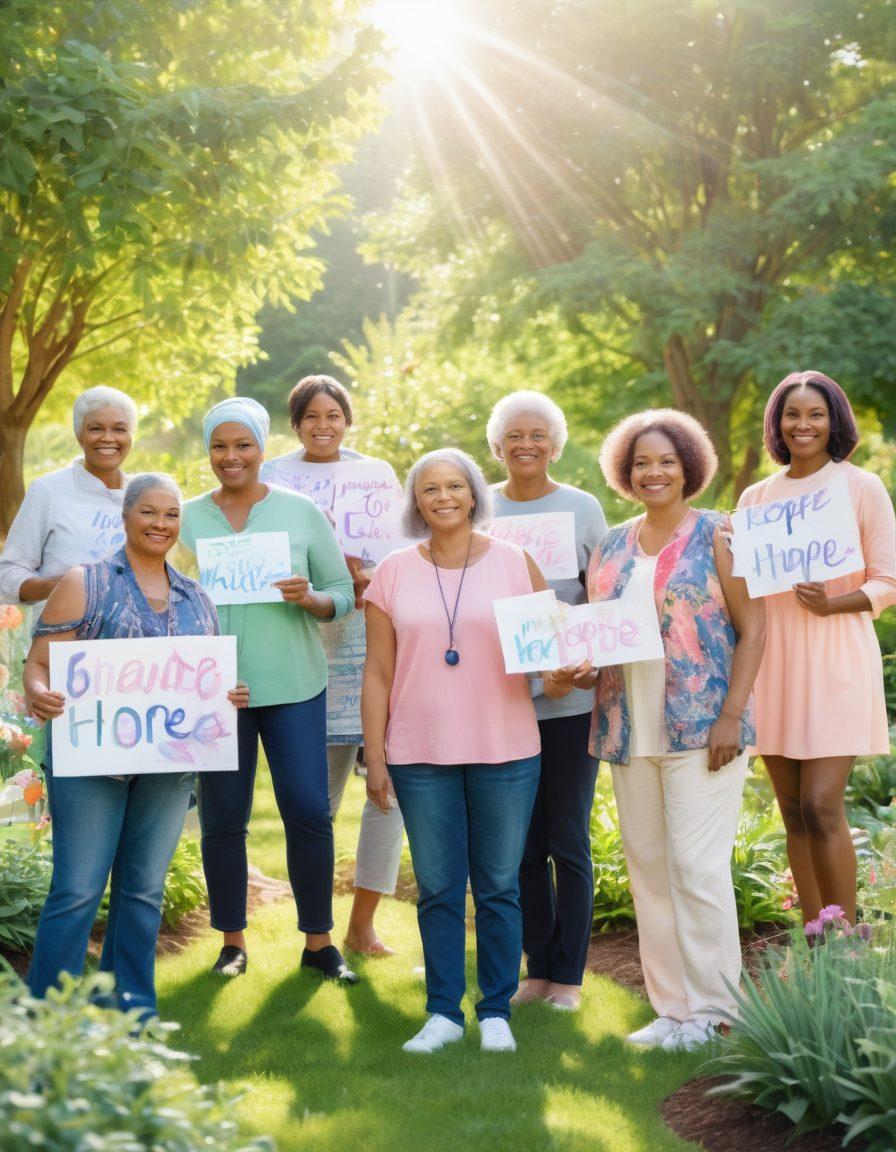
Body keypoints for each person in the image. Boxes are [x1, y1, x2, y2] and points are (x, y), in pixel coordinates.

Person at [555, 409, 766, 1052]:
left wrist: (731, 715)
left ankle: (716, 1009)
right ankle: (673, 1009)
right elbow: (602, 637)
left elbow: (754, 629)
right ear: (626, 470)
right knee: (648, 868)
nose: (654, 472)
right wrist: (579, 671)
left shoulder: (720, 533)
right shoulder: (614, 545)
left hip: (705, 727)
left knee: (696, 868)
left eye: (666, 461)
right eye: (642, 462)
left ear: (689, 467)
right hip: (628, 727)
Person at [23, 473, 246, 1020]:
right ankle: (43, 1020)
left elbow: (203, 683)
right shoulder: (85, 582)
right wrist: (38, 694)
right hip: (90, 762)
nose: (161, 524)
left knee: (143, 890)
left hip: (168, 766)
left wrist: (228, 695)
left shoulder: (198, 598)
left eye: (171, 514)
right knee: (77, 889)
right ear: (125, 516)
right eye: (149, 512)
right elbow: (39, 664)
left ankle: (131, 1014)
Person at [362, 448, 546, 1054]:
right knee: (439, 886)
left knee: (497, 885)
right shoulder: (391, 571)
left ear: (473, 495)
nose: (443, 497)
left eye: (454, 486)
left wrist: (570, 670)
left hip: (505, 746)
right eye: (429, 488)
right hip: (418, 751)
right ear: (416, 501)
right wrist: (377, 755)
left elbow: (546, 656)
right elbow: (378, 673)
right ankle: (443, 1012)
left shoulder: (517, 563)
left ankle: (495, 1010)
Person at [181, 397, 359, 983]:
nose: (230, 457)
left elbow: (342, 591)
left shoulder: (299, 511)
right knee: (223, 818)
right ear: (208, 452)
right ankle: (232, 942)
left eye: (243, 445)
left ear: (261, 449)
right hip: (216, 693)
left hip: (294, 686)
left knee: (309, 812)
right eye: (219, 446)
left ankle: (318, 943)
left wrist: (309, 598)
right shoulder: (184, 518)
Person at [737, 371, 896, 925]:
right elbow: (746, 587)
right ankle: (816, 940)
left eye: (815, 414)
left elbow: (889, 581)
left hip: (836, 660)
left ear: (835, 421)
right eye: (792, 415)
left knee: (822, 804)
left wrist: (834, 602)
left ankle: (846, 937)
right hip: (773, 662)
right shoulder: (757, 497)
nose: (803, 425)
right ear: (777, 423)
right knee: (792, 811)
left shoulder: (859, 486)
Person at [262, 375, 405, 955]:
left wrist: (366, 569)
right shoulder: (272, 476)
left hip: (370, 643)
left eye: (334, 415)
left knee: (386, 790)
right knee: (313, 799)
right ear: (295, 424)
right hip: (301, 645)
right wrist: (321, 568)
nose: (324, 425)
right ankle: (316, 930)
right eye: (311, 417)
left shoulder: (377, 476)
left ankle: (362, 924)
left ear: (348, 420)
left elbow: (401, 554)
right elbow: (257, 556)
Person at [486, 390, 608, 1011]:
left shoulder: (582, 507)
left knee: (567, 838)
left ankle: (570, 977)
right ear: (498, 445)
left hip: (567, 704)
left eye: (537, 435)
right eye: (515, 435)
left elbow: (605, 595)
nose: (526, 445)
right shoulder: (482, 507)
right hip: (504, 704)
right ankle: (536, 970)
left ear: (554, 444)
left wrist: (584, 667)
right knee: (522, 848)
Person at [0, 385, 138, 608]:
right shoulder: (48, 491)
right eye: (95, 429)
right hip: (63, 635)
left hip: (134, 638)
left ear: (131, 436)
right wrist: (62, 586)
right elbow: (8, 573)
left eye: (119, 429)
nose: (107, 438)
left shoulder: (142, 494)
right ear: (78, 434)